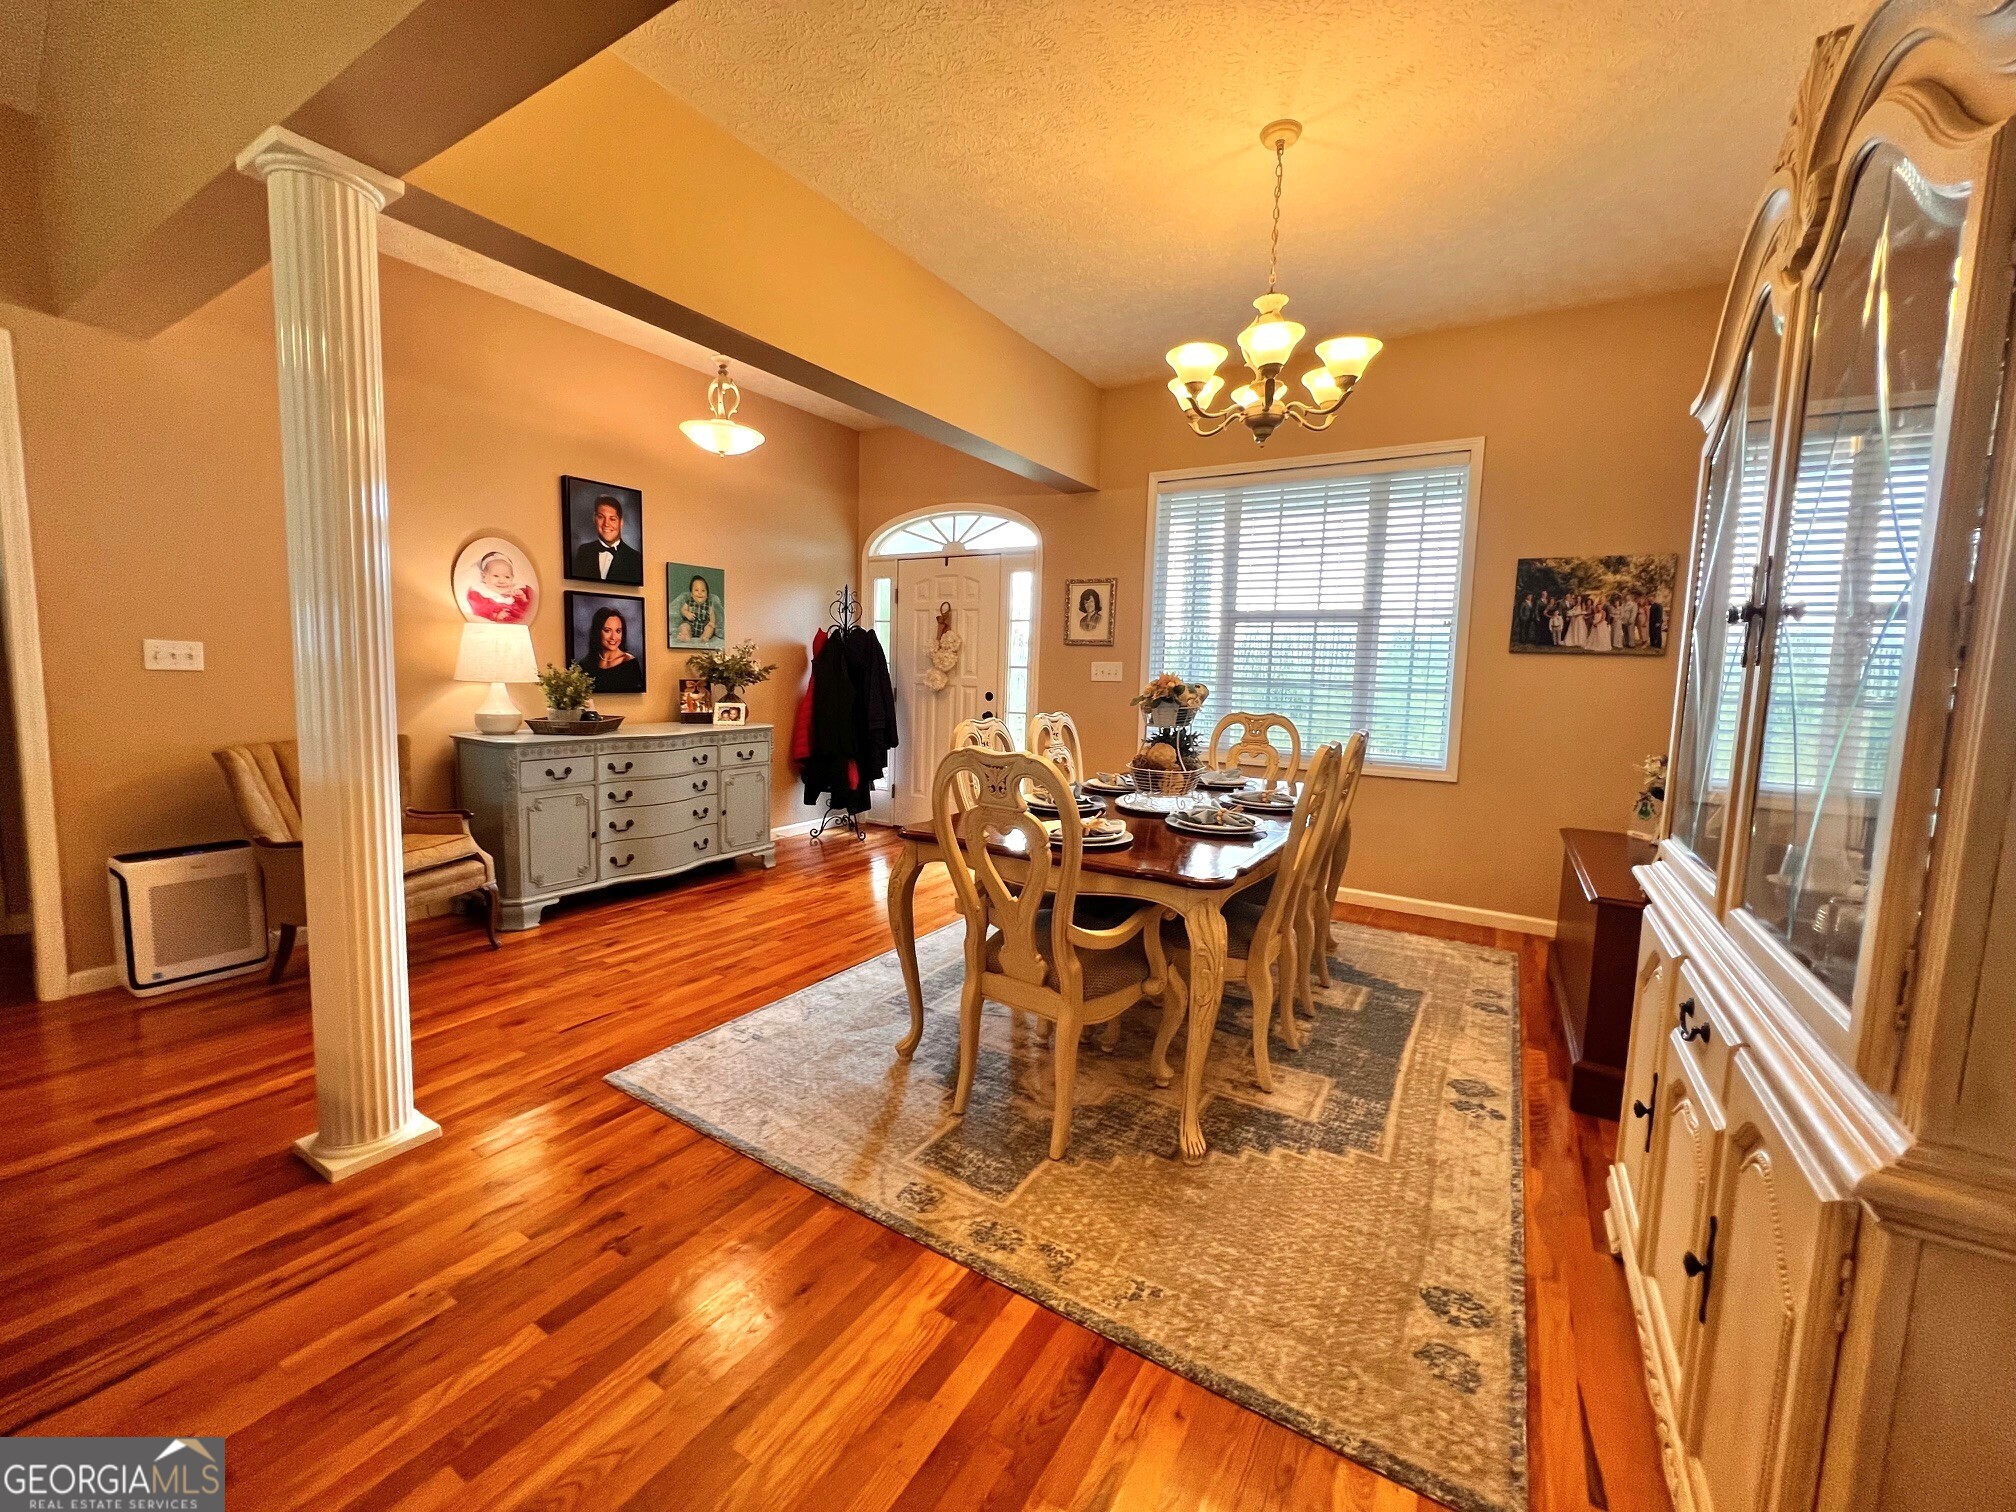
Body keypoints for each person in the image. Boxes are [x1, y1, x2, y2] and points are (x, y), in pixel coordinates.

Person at [571, 495, 642, 583]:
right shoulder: (583, 551)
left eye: (612, 519)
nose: (606, 524)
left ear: (621, 522)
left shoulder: (635, 558)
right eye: (601, 517)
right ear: (594, 519)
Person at [584, 605, 644, 693]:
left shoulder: (630, 663)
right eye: (607, 630)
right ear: (597, 631)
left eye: (618, 631)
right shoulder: (585, 664)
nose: (613, 637)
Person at [465, 550, 534, 624]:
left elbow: (528, 611)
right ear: (484, 576)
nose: (502, 581)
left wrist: (522, 599)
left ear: (512, 578)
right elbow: (480, 610)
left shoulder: (517, 590)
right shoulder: (481, 592)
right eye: (496, 576)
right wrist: (495, 616)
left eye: (507, 577)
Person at [673, 573, 722, 643]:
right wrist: (687, 613)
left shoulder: (709, 604)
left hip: (703, 626)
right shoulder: (689, 602)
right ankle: (686, 635)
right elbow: (683, 610)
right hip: (691, 624)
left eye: (703, 590)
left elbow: (712, 615)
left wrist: (712, 623)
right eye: (696, 590)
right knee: (684, 626)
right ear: (691, 594)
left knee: (710, 628)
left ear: (707, 595)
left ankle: (705, 636)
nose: (700, 593)